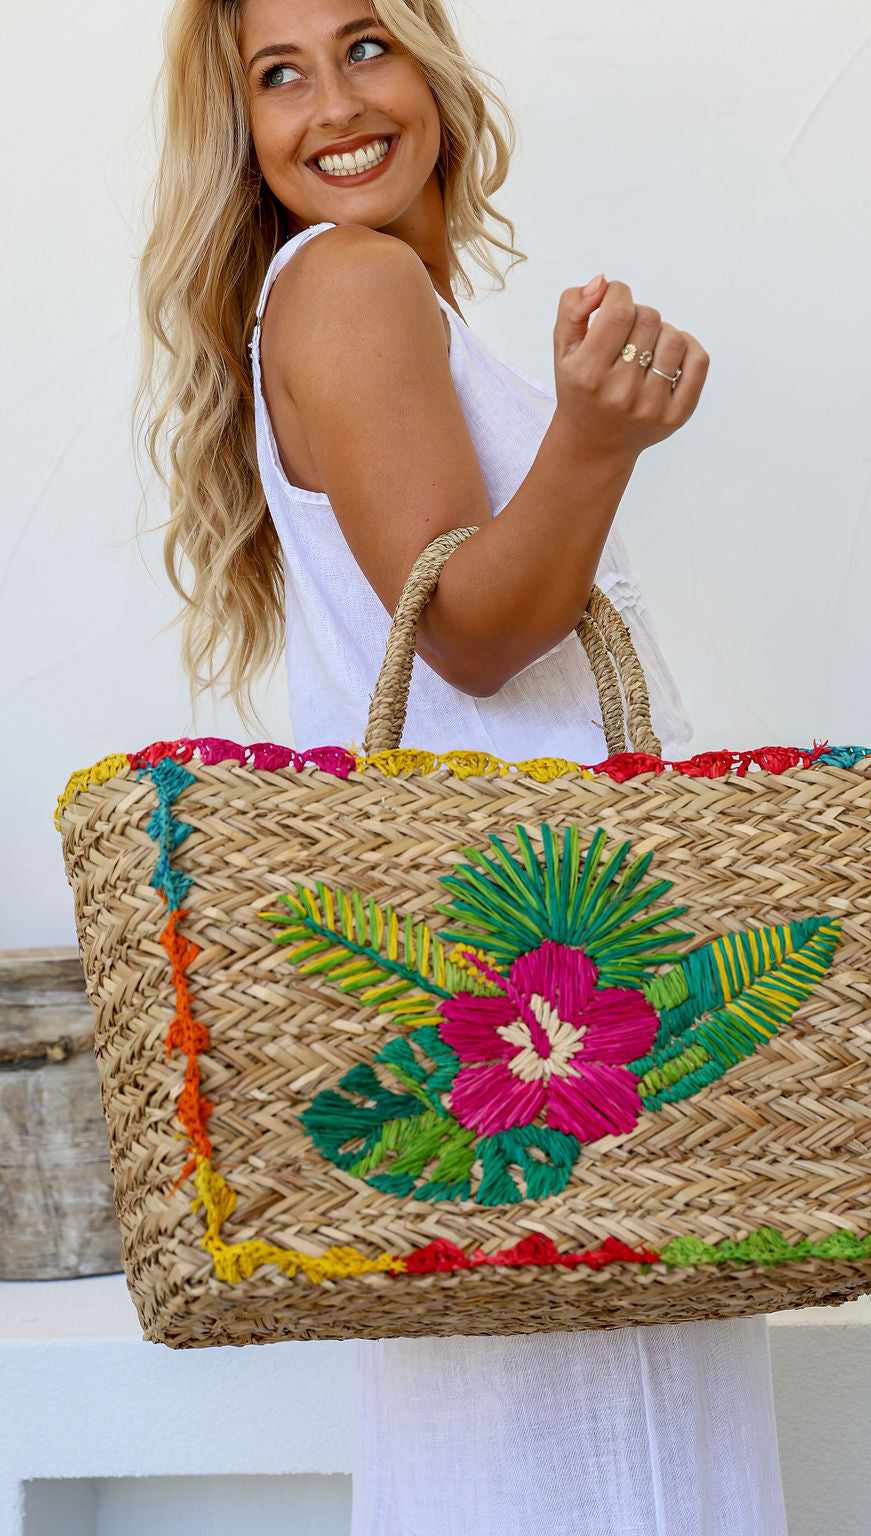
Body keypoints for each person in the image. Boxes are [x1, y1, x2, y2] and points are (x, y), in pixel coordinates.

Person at [135, 0, 790, 1531]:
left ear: (428, 56)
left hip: (499, 1025)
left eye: (364, 44)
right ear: (242, 130)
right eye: (278, 75)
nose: (333, 104)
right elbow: (472, 631)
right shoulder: (349, 282)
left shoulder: (374, 296)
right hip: (540, 1002)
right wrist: (593, 442)